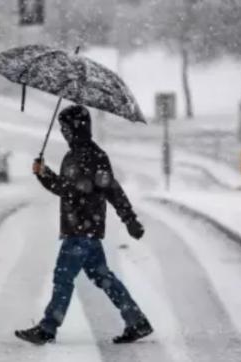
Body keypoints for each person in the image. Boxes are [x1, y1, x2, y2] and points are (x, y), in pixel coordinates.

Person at [14, 104, 152, 345]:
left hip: (82, 229)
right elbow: (65, 189)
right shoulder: (74, 155)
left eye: (65, 128)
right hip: (82, 228)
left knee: (63, 277)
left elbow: (107, 189)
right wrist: (43, 173)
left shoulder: (93, 156)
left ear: (77, 128)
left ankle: (48, 327)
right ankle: (137, 321)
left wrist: (130, 220)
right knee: (103, 277)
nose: (63, 132)